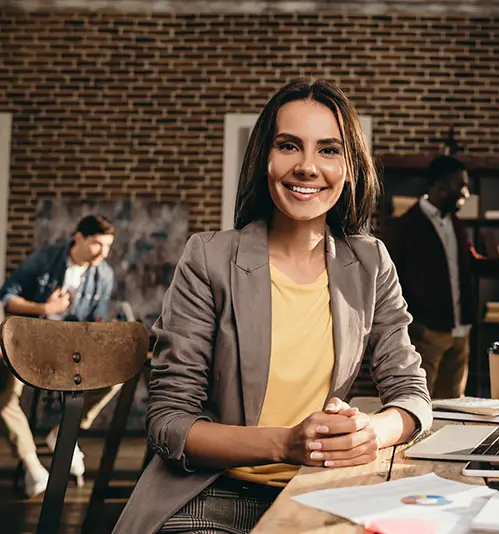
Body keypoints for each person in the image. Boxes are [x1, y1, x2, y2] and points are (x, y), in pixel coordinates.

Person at [113, 79, 432, 534]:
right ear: (265, 157)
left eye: (328, 150)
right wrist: (286, 443)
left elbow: (410, 393)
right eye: (289, 146)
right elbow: (169, 424)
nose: (307, 167)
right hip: (212, 495)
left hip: (321, 494)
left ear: (350, 168)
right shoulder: (208, 258)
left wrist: (371, 432)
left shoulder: (370, 262)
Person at [0, 214, 116, 496]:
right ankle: (32, 466)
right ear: (78, 237)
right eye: (98, 244)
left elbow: (96, 321)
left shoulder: (104, 275)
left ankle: (63, 433)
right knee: (4, 395)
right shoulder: (46, 259)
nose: (103, 252)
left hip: (69, 351)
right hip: (25, 345)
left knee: (115, 378)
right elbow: (7, 297)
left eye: (108, 246)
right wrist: (45, 309)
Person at [382, 156, 475, 400]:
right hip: (426, 332)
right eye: (461, 185)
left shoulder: (455, 224)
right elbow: (390, 280)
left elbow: (470, 264)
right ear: (441, 185)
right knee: (418, 403)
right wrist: (416, 322)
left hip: (460, 330)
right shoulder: (403, 227)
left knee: (454, 406)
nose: (466, 192)